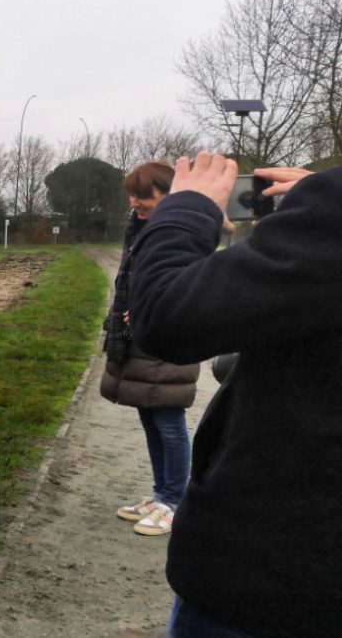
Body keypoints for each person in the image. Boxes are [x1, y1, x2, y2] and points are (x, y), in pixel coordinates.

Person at [128, 152, 342, 637]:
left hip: (276, 580)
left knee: (165, 419)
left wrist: (185, 208)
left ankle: (168, 494)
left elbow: (168, 313)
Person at [100, 162, 199, 537]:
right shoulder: (139, 226)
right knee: (149, 411)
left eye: (143, 195)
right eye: (132, 193)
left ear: (168, 196)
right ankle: (162, 495)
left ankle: (174, 502)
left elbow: (190, 281)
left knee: (169, 420)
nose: (134, 201)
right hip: (140, 333)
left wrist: (151, 304)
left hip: (168, 333)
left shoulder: (183, 231)